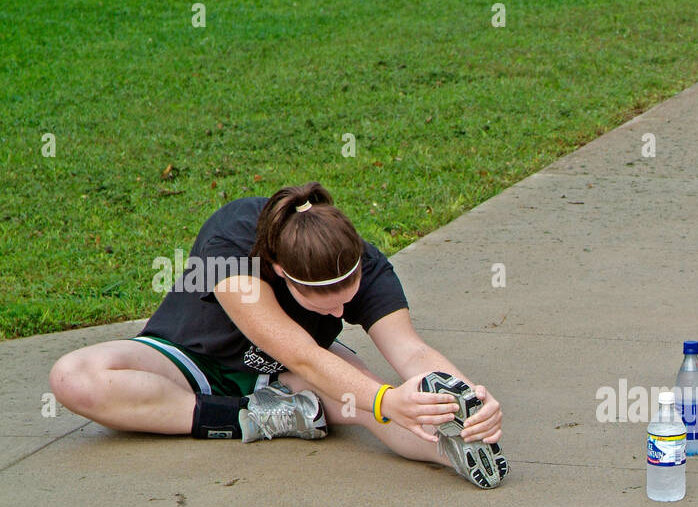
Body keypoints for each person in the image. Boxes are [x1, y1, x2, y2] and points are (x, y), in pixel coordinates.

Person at [48, 182, 508, 488]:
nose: (340, 310)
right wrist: (386, 397)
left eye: (348, 297)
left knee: (371, 403)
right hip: (185, 361)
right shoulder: (229, 244)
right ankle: (255, 417)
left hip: (283, 377)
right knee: (75, 377)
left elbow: (411, 350)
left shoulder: (364, 263)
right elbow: (301, 352)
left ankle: (456, 454)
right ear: (283, 272)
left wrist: (470, 397)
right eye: (324, 302)